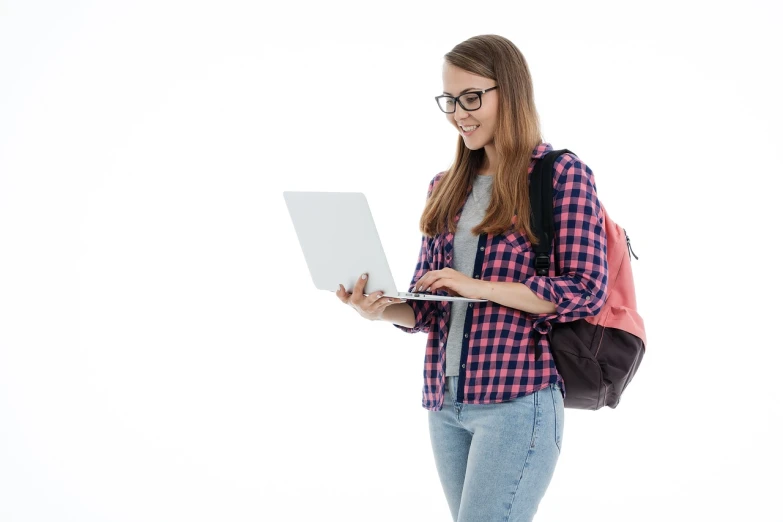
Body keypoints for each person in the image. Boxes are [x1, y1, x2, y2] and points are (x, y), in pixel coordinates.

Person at [336, 34, 608, 522]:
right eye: (449, 100)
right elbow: (427, 303)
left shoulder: (560, 174)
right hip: (445, 403)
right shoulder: (446, 186)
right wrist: (377, 308)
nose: (458, 113)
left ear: (511, 92)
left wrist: (476, 287)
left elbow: (586, 291)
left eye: (471, 98)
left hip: (517, 399)